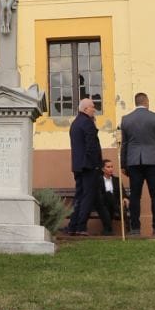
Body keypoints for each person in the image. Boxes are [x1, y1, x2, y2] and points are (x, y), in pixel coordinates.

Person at [119, 92, 155, 237]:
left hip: (134, 162)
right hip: (153, 161)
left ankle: (135, 228)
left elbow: (124, 144)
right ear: (146, 102)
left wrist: (123, 164)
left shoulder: (126, 119)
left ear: (136, 103)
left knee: (135, 196)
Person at [66, 97, 111, 235]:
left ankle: (73, 226)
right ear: (86, 109)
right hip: (89, 166)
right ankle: (81, 226)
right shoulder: (87, 123)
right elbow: (91, 146)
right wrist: (97, 165)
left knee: (80, 196)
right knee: (87, 197)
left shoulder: (75, 123)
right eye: (92, 107)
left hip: (78, 166)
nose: (94, 110)